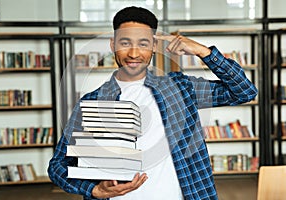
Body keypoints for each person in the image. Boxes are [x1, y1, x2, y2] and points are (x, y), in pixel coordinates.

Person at [48, 6, 258, 200]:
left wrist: (203, 52)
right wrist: (94, 190)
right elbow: (58, 165)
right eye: (125, 43)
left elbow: (244, 91)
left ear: (154, 46)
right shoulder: (91, 101)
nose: (133, 53)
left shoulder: (180, 88)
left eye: (143, 43)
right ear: (112, 45)